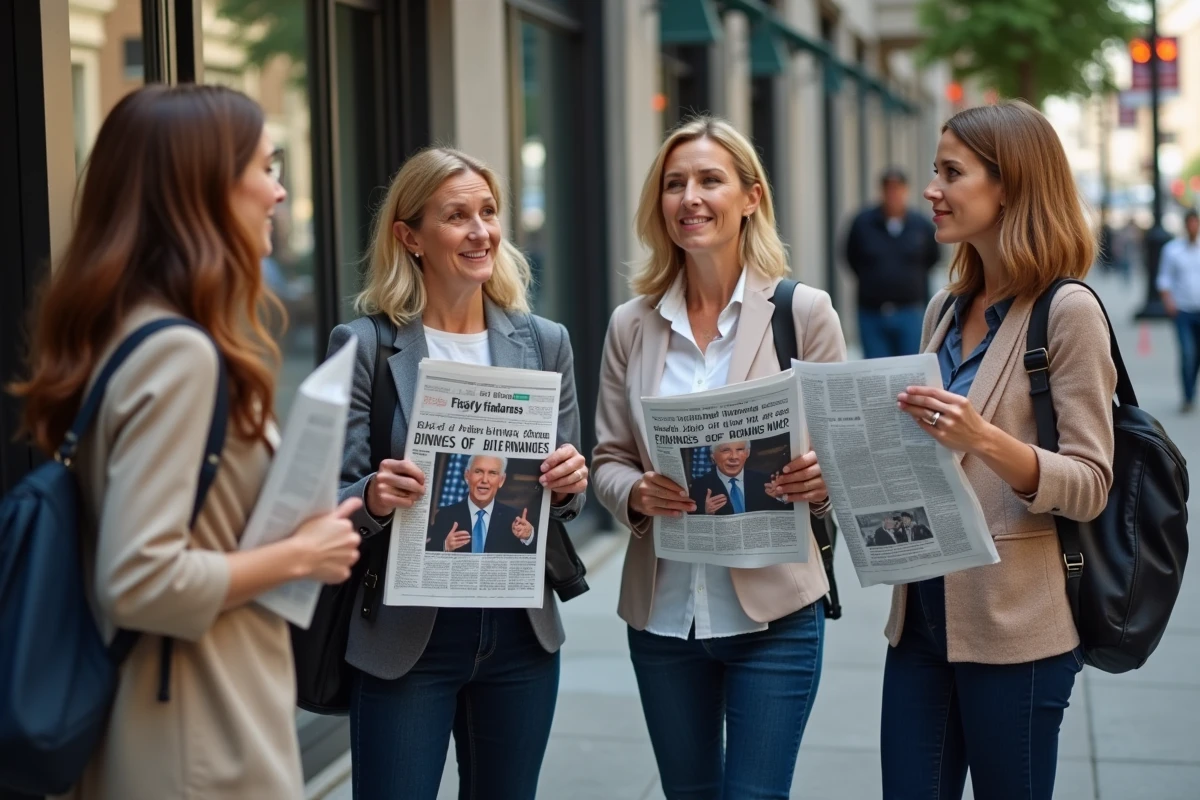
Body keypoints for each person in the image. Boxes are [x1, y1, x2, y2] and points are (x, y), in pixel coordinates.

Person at [7, 84, 363, 799]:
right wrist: (300, 554)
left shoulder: (123, 329)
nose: (281, 192)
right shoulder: (180, 354)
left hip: (172, 714)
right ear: (201, 187)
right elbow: (140, 579)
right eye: (265, 168)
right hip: (198, 732)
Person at [592, 116, 846, 799]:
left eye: (710, 180)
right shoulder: (632, 324)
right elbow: (608, 458)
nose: (690, 198)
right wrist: (634, 493)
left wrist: (822, 480)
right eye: (674, 184)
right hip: (664, 616)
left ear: (751, 197)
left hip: (775, 615)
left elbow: (844, 459)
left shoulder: (804, 313)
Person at [328, 147, 589, 800]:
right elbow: (325, 500)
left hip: (519, 633)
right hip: (408, 636)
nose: (481, 232)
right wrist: (375, 497)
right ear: (409, 236)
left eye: (489, 212)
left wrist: (568, 482)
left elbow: (565, 501)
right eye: (456, 216)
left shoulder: (545, 341)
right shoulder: (363, 345)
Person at [883, 101, 1117, 800]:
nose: (932, 189)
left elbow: (1090, 482)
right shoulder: (944, 307)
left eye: (951, 172)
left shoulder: (1067, 311)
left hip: (1015, 628)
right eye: (933, 171)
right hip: (920, 619)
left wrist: (982, 438)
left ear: (1009, 184)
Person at [845, 167, 942, 359]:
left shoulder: (920, 225)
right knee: (876, 371)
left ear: (906, 191)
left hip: (910, 312)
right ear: (881, 191)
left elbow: (933, 258)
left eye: (897, 189)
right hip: (872, 313)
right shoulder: (863, 223)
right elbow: (850, 257)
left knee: (911, 369)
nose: (893, 194)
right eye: (888, 189)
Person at [426, 455, 537, 553]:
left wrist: (528, 537)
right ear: (467, 476)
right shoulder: (445, 516)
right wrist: (446, 546)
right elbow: (428, 554)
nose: (484, 480)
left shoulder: (514, 518)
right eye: (478, 471)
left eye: (492, 473)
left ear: (501, 480)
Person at [1156, 209, 1200, 412]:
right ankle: (1188, 396)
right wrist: (1169, 302)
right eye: (1190, 223)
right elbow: (1164, 278)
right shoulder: (1172, 250)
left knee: (1196, 355)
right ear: (1185, 225)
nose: (1193, 227)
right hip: (1182, 310)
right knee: (1187, 353)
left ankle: (1191, 388)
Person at [687, 440, 784, 515]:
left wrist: (780, 498)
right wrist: (706, 513)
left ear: (748, 453)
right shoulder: (698, 487)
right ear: (713, 455)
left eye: (740, 449)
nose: (734, 457)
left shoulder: (764, 481)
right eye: (725, 450)